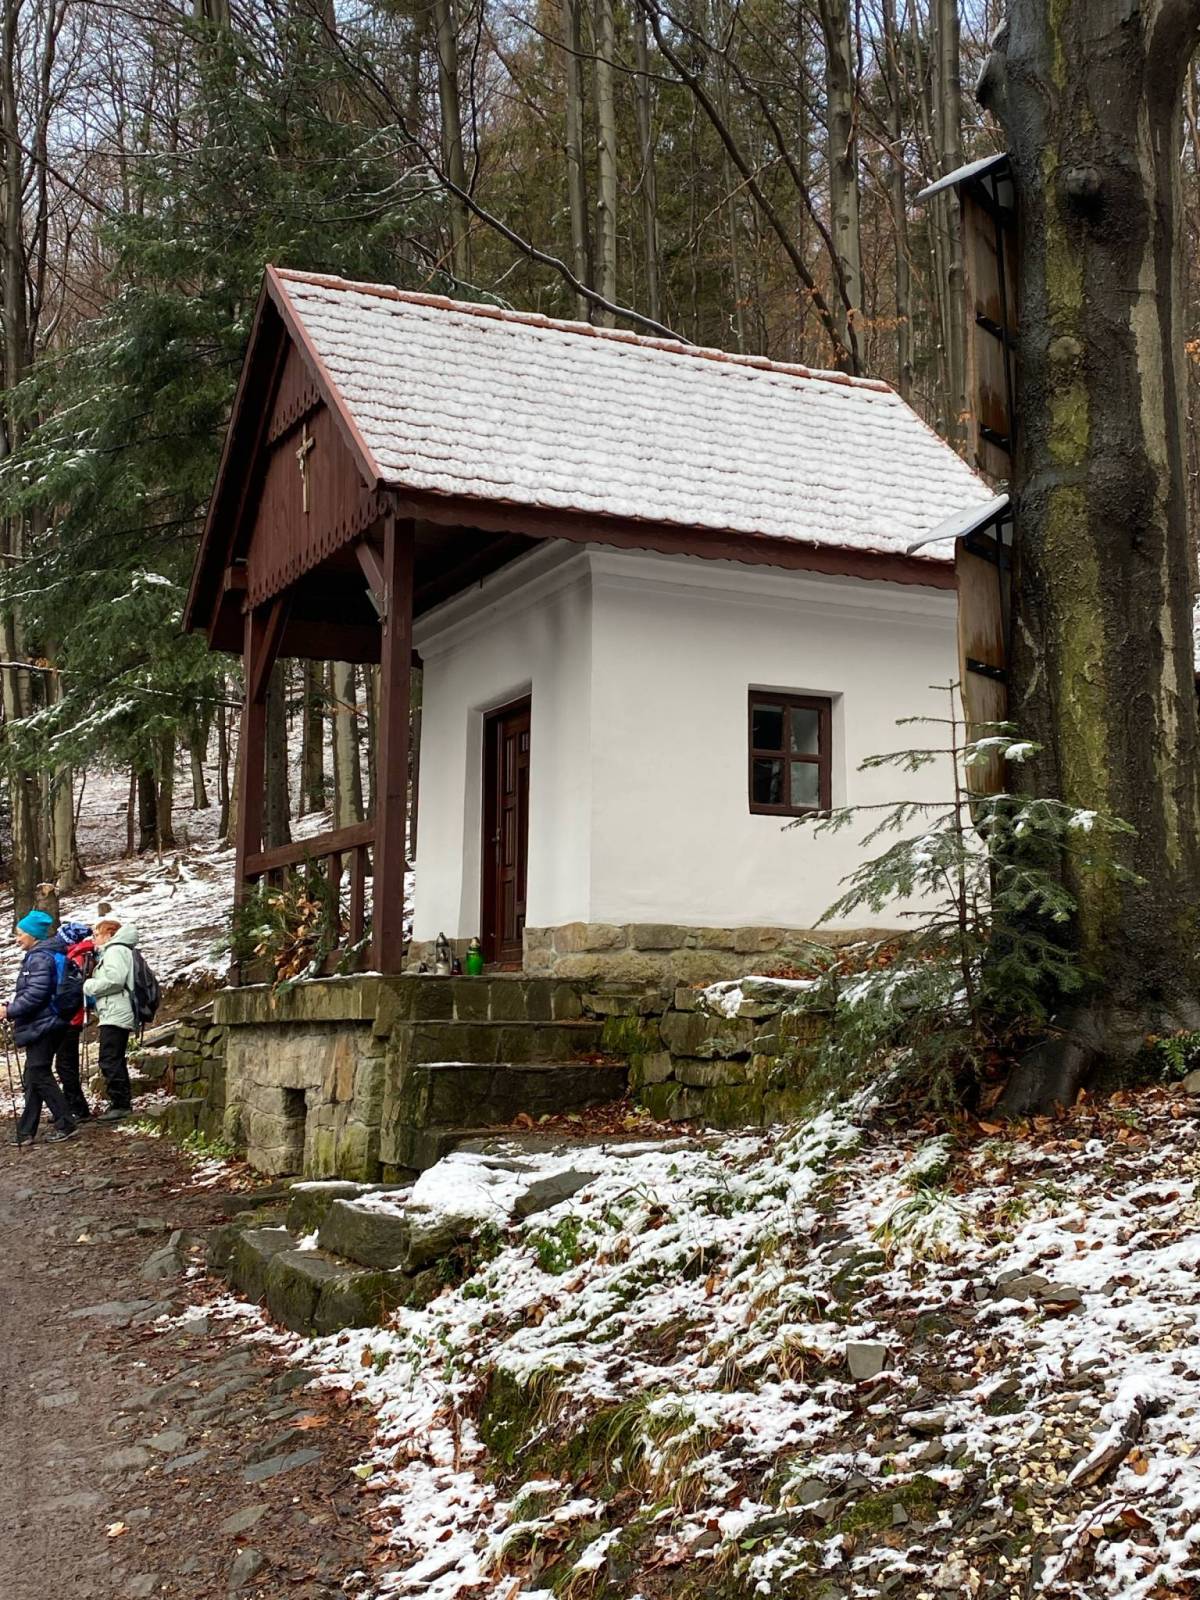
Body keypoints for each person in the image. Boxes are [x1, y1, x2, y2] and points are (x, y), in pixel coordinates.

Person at [2, 909, 78, 1146]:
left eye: (20, 934)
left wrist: (9, 1011)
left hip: (45, 1023)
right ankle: (26, 1131)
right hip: (49, 1022)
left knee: (38, 1072)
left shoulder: (39, 958)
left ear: (33, 934)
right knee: (34, 1074)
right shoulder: (43, 955)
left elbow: (36, 995)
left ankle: (66, 1123)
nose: (17, 939)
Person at [83, 918, 139, 1122]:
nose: (94, 939)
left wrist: (89, 985)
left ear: (109, 935)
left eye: (97, 935)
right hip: (115, 1010)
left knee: (109, 1058)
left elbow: (115, 980)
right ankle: (119, 1103)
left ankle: (121, 1104)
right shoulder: (119, 950)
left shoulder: (115, 951)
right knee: (112, 1057)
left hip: (116, 1011)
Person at [52, 921, 95, 1123]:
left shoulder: (74, 958)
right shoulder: (81, 956)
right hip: (73, 1018)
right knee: (65, 1065)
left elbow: (68, 993)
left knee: (65, 1066)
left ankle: (78, 1109)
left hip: (69, 1019)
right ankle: (71, 1106)